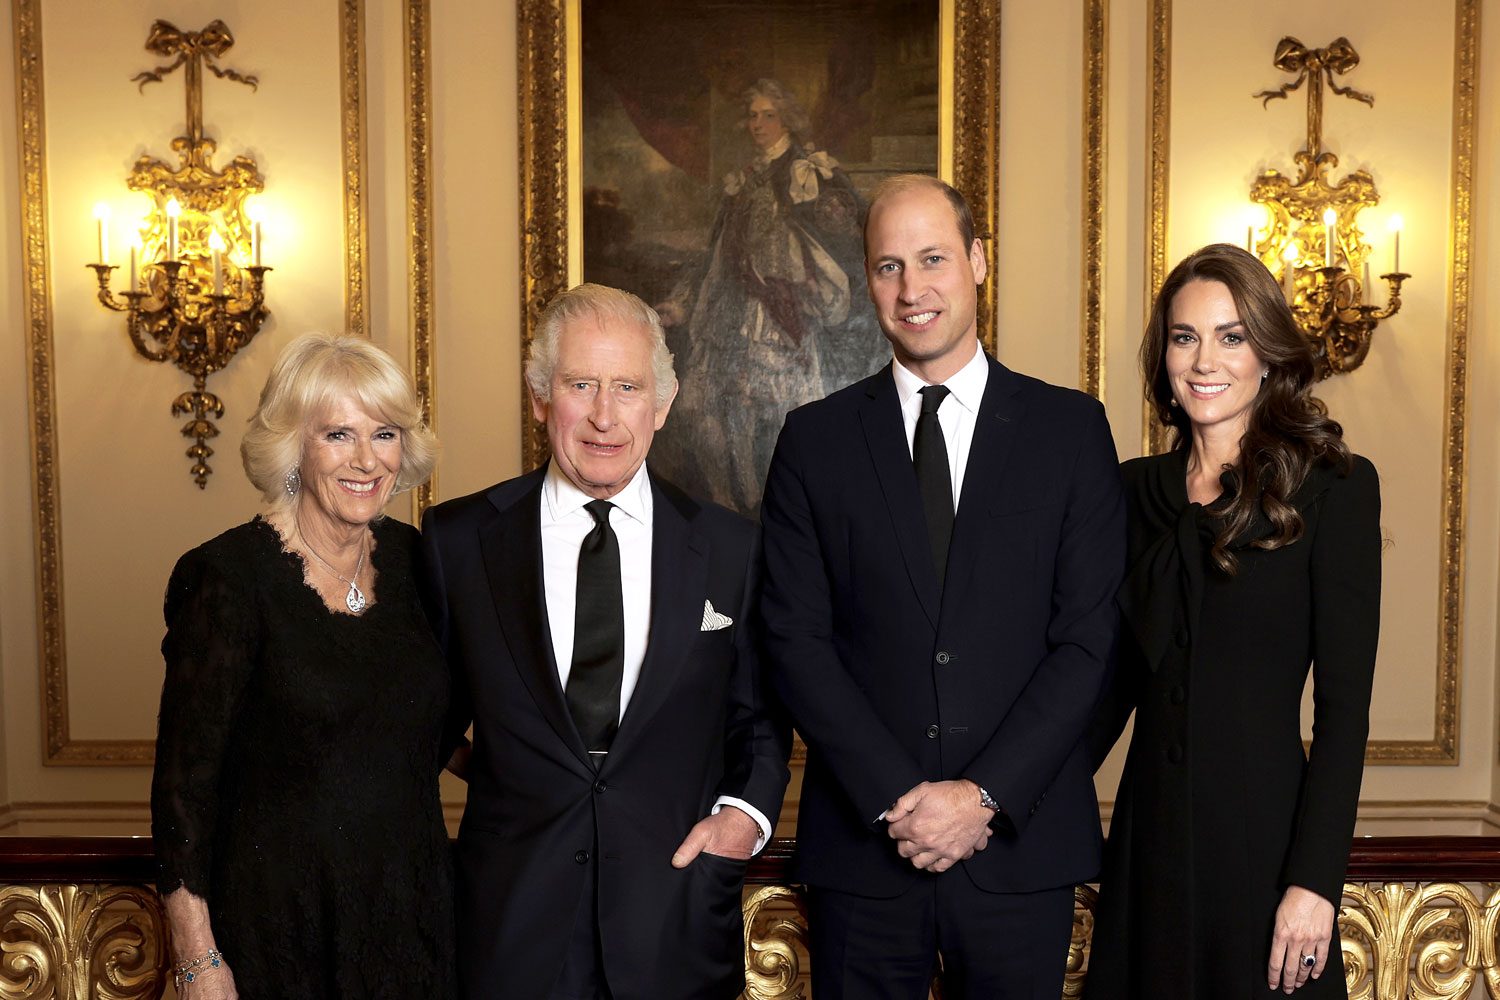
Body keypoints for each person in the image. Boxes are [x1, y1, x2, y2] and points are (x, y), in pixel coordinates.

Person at [758, 174, 1126, 999]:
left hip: (1020, 851)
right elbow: (794, 641)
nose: (912, 288)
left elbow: (1087, 641)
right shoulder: (815, 441)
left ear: (979, 261)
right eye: (888, 266)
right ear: (867, 283)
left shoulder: (1069, 431)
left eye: (932, 259)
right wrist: (899, 798)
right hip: (864, 853)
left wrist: (982, 797)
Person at [419, 283, 791, 1000]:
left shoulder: (729, 547)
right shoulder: (458, 541)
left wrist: (741, 822)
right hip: (509, 926)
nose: (603, 415)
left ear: (663, 402)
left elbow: (760, 721)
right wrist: (500, 769)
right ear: (539, 397)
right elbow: (418, 721)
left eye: (626, 387)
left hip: (673, 917)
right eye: (580, 384)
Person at [1084, 243, 1381, 998]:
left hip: (1266, 858)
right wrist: (998, 800)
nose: (1204, 359)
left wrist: (1314, 884)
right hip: (1146, 853)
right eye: (1185, 337)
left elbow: (1345, 715)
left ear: (1268, 352)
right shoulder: (1128, 493)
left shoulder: (1334, 488)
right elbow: (1103, 689)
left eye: (1231, 335)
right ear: (1164, 356)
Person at [151, 333, 450, 1000]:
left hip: (412, 917)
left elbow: (426, 716)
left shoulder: (418, 564)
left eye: (386, 434)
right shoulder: (226, 579)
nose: (367, 460)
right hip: (275, 928)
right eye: (339, 435)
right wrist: (197, 959)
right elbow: (182, 791)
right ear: (293, 447)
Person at [655, 77, 881, 514]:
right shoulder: (743, 180)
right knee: (709, 410)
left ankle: (787, 511)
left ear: (788, 121)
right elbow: (715, 250)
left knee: (784, 419)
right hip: (729, 314)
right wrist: (682, 302)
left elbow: (846, 238)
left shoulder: (809, 171)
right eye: (752, 116)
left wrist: (801, 265)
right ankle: (732, 511)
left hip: (783, 315)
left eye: (768, 116)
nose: (757, 124)